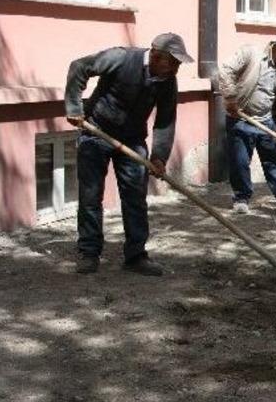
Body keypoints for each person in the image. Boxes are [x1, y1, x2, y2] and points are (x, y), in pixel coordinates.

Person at [64, 33, 194, 275]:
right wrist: (74, 106)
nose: (176, 69)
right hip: (96, 132)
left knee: (135, 198)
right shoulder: (121, 58)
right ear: (155, 55)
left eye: (178, 64)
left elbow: (165, 120)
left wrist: (159, 157)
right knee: (91, 195)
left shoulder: (167, 81)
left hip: (132, 139)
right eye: (173, 62)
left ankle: (136, 256)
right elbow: (79, 67)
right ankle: (89, 252)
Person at [217, 32, 276, 217]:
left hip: (267, 122)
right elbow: (226, 70)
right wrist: (230, 97)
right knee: (240, 162)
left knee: (274, 163)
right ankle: (241, 199)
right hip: (241, 119)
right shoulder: (251, 54)